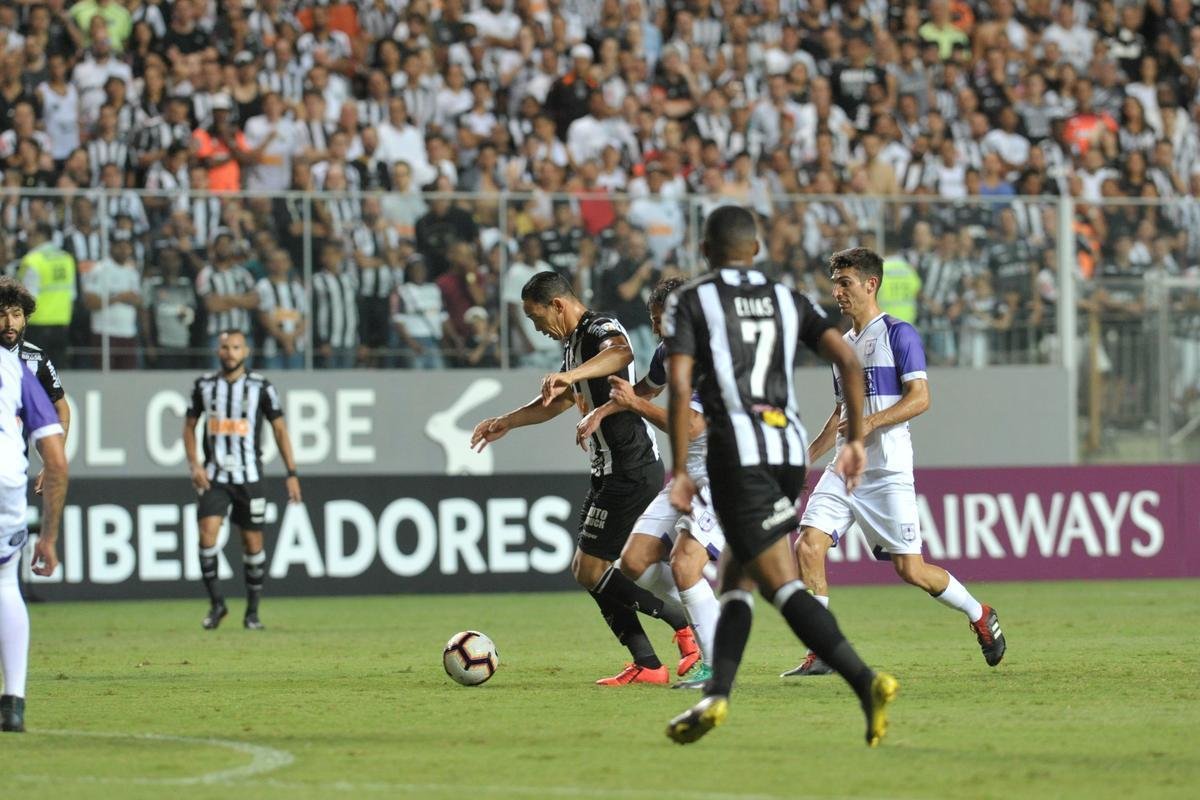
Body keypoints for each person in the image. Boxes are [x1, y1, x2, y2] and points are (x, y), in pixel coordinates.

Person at [661, 205, 897, 747]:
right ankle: (717, 695)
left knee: (779, 584)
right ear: (756, 249)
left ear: (705, 250)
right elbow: (849, 362)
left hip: (738, 456)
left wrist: (679, 470)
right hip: (789, 452)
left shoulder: (691, 299)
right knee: (736, 577)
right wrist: (854, 442)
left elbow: (680, 387)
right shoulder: (785, 297)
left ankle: (865, 681)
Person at [783, 248, 1006, 677]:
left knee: (912, 570)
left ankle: (980, 613)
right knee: (808, 544)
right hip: (844, 468)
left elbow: (920, 398)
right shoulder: (841, 345)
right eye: (835, 283)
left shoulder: (898, 334)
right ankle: (821, 650)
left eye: (845, 283)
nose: (837, 292)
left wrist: (870, 422)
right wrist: (804, 460)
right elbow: (841, 414)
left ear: (871, 284)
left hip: (887, 471)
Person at [470, 271, 697, 686]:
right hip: (608, 468)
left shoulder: (598, 327)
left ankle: (681, 622)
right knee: (588, 570)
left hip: (631, 465)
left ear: (557, 305)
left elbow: (621, 353)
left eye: (536, 317)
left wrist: (571, 376)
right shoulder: (573, 343)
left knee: (592, 569)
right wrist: (507, 421)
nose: (537, 328)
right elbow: (555, 402)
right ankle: (647, 663)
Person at [576, 277, 723, 689]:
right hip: (689, 473)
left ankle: (716, 663)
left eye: (661, 319)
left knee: (684, 565)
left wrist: (633, 404)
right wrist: (602, 411)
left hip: (723, 472)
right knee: (634, 562)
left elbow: (690, 426)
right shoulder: (667, 352)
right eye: (653, 319)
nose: (656, 328)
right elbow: (644, 389)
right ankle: (708, 612)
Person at [182, 330, 302, 631]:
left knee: (252, 543)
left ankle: (252, 613)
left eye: (236, 347)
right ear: (217, 351)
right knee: (206, 534)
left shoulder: (261, 386)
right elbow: (189, 426)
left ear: (246, 352)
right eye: (224, 347)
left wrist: (291, 473)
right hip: (214, 477)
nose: (230, 352)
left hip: (250, 477)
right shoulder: (204, 385)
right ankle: (217, 605)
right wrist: (194, 464)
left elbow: (280, 430)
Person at [0, 345, 68, 733]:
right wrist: (49, 538)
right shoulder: (15, 367)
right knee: (6, 582)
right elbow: (56, 460)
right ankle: (13, 703)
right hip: (7, 478)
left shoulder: (32, 360)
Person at [0, 277, 71, 494]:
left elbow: (60, 407)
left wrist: (52, 460)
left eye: (16, 315)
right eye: (1, 315)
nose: (9, 323)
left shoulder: (36, 359)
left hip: (13, 476)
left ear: (25, 320)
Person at [16, 224, 76, 362]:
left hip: (37, 324)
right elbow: (72, 295)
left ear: (40, 236)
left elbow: (27, 298)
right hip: (62, 324)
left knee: (35, 371)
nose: (28, 240)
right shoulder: (67, 259)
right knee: (58, 371)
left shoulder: (32, 260)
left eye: (30, 235)